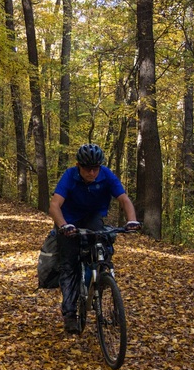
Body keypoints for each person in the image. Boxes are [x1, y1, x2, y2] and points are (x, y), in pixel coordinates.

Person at [48, 143, 141, 334]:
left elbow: (123, 199)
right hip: (69, 221)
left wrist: (132, 220)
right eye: (87, 169)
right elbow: (54, 205)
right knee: (69, 265)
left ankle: (104, 287)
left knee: (103, 248)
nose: (92, 173)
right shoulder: (69, 176)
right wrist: (63, 225)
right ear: (78, 166)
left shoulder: (106, 175)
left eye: (95, 169)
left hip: (92, 218)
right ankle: (70, 314)